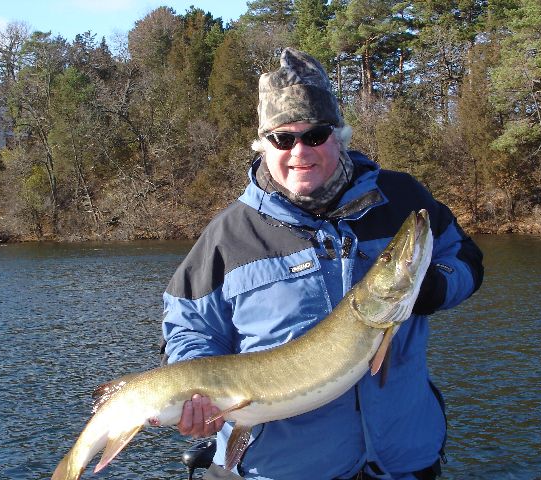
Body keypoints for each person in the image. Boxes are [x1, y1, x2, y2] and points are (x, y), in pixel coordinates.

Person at [162, 47, 484, 480]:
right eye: (283, 138)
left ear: (338, 137)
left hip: (405, 461)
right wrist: (200, 397)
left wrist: (436, 288)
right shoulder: (228, 235)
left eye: (315, 135)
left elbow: (463, 258)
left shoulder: (401, 198)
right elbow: (189, 329)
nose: (300, 151)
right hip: (282, 470)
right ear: (263, 144)